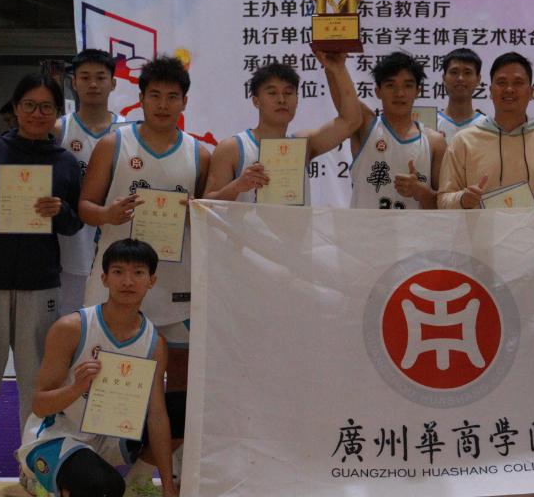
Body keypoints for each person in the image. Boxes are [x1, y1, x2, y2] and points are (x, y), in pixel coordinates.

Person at [0, 73, 83, 495]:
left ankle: (34, 466)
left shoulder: (65, 163)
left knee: (39, 385)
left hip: (39, 286)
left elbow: (74, 224)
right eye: (29, 105)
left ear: (57, 113)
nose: (37, 114)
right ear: (16, 108)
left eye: (46, 107)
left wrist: (60, 210)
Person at [79, 56, 210, 401]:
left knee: (180, 374)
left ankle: (170, 437)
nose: (163, 105)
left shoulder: (200, 154)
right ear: (141, 98)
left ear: (184, 102)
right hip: (119, 278)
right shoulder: (113, 144)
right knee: (112, 375)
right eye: (155, 96)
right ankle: (117, 436)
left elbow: (209, 217)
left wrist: (194, 215)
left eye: (172, 97)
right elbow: (85, 207)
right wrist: (108, 214)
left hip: (177, 281)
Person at [17, 239, 177, 497]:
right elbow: (39, 405)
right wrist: (76, 388)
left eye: (138, 273)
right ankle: (45, 478)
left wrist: (168, 487)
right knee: (105, 487)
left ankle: (138, 480)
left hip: (115, 437)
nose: (127, 281)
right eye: (118, 272)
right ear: (104, 279)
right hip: (60, 436)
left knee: (182, 411)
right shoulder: (71, 328)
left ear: (151, 280)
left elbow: (157, 415)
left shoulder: (154, 343)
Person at [203, 49, 361, 203]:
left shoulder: (304, 144)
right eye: (272, 93)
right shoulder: (232, 148)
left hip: (298, 223)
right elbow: (205, 205)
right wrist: (237, 186)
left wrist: (338, 69)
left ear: (297, 99)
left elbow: (351, 121)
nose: (281, 99)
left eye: (288, 93)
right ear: (256, 101)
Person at [438, 52, 534, 208]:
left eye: (518, 83)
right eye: (501, 82)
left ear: (531, 92)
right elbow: (443, 200)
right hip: (481, 225)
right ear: (490, 91)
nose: (509, 89)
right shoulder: (463, 141)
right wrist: (462, 199)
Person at [53, 49, 127, 314]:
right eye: (85, 77)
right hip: (70, 240)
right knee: (70, 317)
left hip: (115, 235)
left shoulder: (128, 131)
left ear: (113, 83)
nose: (93, 84)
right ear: (74, 83)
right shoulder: (58, 130)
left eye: (100, 77)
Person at [337, 51, 446, 210]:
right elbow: (342, 97)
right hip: (365, 227)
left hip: (415, 227)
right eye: (390, 85)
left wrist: (420, 192)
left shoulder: (435, 142)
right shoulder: (364, 125)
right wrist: (336, 67)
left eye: (408, 86)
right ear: (378, 91)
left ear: (418, 91)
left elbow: (445, 206)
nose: (399, 93)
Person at [436, 48, 485, 139]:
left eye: (467, 73)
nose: (460, 78)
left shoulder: (486, 126)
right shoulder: (432, 123)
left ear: (478, 79)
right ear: (444, 78)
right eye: (454, 72)